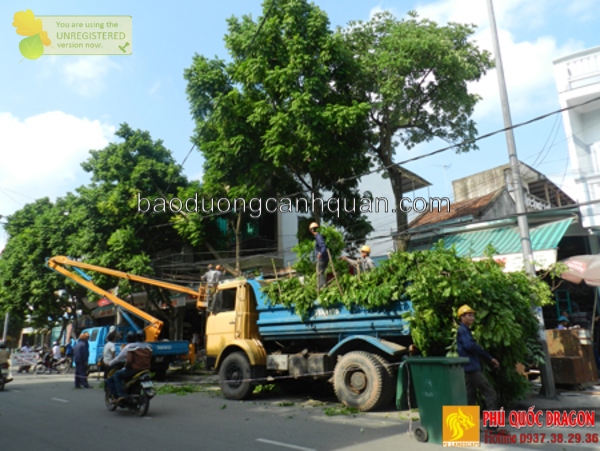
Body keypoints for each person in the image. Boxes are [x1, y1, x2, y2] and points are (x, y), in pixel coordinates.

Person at [456, 304, 499, 418]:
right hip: (471, 368)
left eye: (472, 315)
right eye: (469, 315)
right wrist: (489, 358)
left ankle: (467, 425)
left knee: (470, 396)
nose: (472, 318)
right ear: (462, 317)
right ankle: (492, 424)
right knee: (490, 392)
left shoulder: (465, 330)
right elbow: (469, 346)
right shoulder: (463, 330)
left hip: (467, 368)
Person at [107, 330, 152, 403]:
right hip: (145, 369)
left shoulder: (131, 346)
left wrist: (127, 367)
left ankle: (121, 395)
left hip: (134, 370)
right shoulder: (149, 346)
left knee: (116, 375)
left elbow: (128, 361)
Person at [309, 222, 329, 289]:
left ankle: (322, 286)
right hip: (324, 258)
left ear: (312, 230)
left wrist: (320, 253)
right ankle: (321, 286)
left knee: (320, 272)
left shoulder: (318, 237)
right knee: (320, 272)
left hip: (322, 258)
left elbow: (323, 247)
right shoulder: (318, 236)